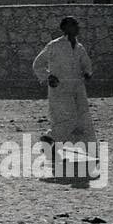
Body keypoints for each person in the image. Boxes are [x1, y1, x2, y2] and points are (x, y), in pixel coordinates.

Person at [31, 16, 96, 145]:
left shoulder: (79, 47)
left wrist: (88, 73)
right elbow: (37, 64)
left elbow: (86, 64)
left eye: (77, 25)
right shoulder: (54, 45)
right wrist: (48, 76)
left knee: (82, 117)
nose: (77, 28)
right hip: (60, 88)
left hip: (77, 88)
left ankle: (80, 148)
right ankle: (51, 138)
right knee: (65, 117)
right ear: (65, 28)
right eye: (74, 25)